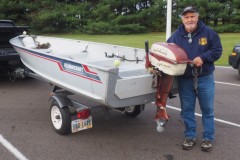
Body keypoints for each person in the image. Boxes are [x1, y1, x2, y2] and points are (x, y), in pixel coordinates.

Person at [167, 6, 222, 152]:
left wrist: (203, 58)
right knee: (187, 110)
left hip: (204, 78)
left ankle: (208, 138)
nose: (189, 19)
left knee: (208, 109)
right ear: (182, 19)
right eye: (186, 17)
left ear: (197, 17)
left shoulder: (209, 33)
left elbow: (217, 51)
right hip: (185, 79)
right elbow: (168, 52)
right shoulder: (175, 36)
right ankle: (190, 135)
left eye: (192, 16)